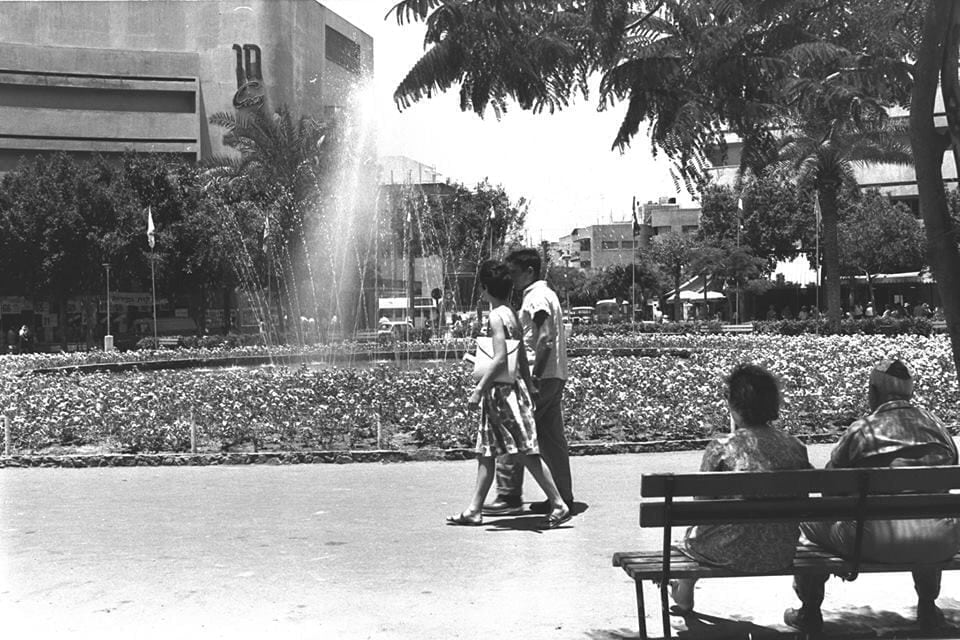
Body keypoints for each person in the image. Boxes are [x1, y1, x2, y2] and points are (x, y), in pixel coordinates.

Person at [784, 359, 960, 633]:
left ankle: (809, 609)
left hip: (870, 543)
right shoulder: (938, 428)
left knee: (808, 520)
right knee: (926, 515)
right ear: (909, 393)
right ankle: (927, 604)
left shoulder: (862, 430)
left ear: (874, 393)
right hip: (942, 541)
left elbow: (830, 489)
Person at [669, 364, 811, 612]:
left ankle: (684, 593)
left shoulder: (721, 446)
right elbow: (803, 499)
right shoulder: (795, 446)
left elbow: (701, 504)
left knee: (693, 539)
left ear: (733, 406)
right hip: (781, 550)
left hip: (727, 552)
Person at [446, 260, 571, 528]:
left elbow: (502, 357)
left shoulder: (495, 316)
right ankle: (474, 510)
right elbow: (521, 356)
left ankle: (559, 504)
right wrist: (529, 383)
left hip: (501, 395)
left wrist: (478, 389)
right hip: (510, 391)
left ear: (484, 289)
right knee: (487, 451)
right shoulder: (512, 313)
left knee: (525, 450)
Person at [483, 248, 575, 516]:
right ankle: (563, 494)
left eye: (513, 273)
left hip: (539, 375)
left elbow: (544, 337)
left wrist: (533, 377)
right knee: (551, 437)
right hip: (555, 374)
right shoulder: (548, 294)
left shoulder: (535, 298)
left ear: (529, 271)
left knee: (513, 427)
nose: (510, 279)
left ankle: (508, 494)